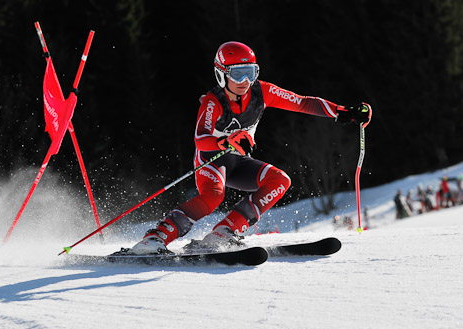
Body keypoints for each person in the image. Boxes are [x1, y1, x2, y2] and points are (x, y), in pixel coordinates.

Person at [130, 41, 372, 254]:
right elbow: (200, 138)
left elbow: (302, 102)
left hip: (238, 163)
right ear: (222, 75)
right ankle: (155, 238)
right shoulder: (213, 102)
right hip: (211, 161)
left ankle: (224, 232)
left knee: (280, 180)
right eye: (237, 74)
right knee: (213, 197)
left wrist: (344, 113)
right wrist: (224, 141)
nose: (245, 81)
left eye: (250, 72)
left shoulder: (262, 92)